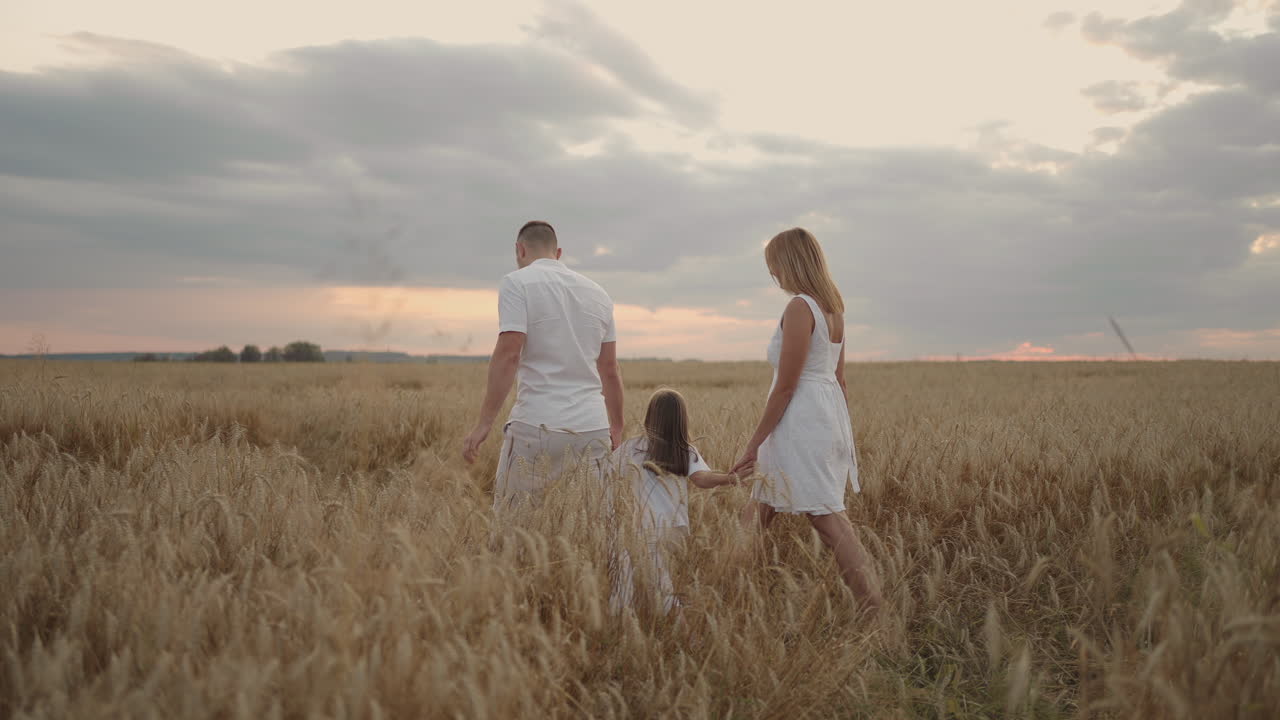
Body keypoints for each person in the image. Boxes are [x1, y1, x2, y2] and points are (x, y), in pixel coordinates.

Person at [732, 227, 883, 611]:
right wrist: (838, 431)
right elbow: (840, 380)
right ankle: (729, 590)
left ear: (790, 263)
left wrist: (754, 443)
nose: (773, 276)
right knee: (762, 503)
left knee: (827, 516)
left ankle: (875, 610)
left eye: (774, 267)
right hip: (823, 414)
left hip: (799, 420)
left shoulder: (800, 307)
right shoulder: (834, 308)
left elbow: (786, 386)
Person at [462, 221, 625, 511]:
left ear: (519, 250)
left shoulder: (517, 283)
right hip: (592, 426)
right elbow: (609, 368)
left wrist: (484, 422)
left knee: (514, 524)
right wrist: (616, 425)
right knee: (593, 526)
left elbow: (509, 354)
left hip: (535, 425)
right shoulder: (599, 293)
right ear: (558, 252)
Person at [610, 389, 744, 613]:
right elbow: (702, 479)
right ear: (682, 420)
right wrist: (731, 478)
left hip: (645, 526)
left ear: (650, 416)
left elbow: (605, 471)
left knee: (634, 575)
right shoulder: (686, 451)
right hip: (674, 527)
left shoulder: (634, 447)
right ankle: (642, 612)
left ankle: (666, 619)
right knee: (651, 573)